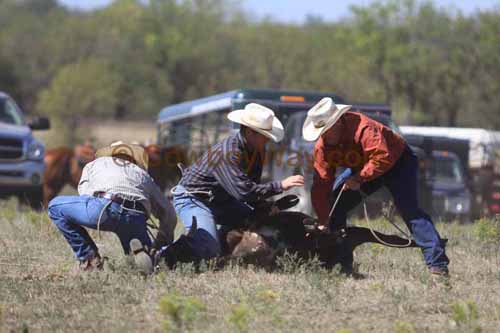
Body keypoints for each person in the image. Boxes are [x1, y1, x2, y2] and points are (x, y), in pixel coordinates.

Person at [303, 97, 449, 276]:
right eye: (321, 132)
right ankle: (341, 265)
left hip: (398, 163)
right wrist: (323, 219)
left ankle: (437, 265)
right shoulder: (322, 148)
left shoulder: (363, 128)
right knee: (335, 206)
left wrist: (358, 179)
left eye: (327, 130)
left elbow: (382, 157)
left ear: (338, 122)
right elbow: (321, 185)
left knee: (409, 210)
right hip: (363, 167)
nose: (325, 135)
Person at [159, 103, 305, 266]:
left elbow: (251, 187)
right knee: (208, 245)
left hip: (221, 200)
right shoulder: (228, 153)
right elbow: (244, 192)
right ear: (250, 132)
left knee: (258, 217)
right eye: (265, 135)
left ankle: (221, 252)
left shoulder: (256, 150)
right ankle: (160, 255)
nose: (267, 140)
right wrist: (280, 186)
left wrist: (265, 206)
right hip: (194, 199)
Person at [48, 141, 177, 273]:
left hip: (104, 208)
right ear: (133, 159)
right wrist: (160, 244)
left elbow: (84, 194)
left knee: (55, 206)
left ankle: (89, 259)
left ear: (111, 154)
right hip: (136, 217)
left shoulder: (95, 164)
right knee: (138, 254)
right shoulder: (143, 174)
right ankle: (144, 255)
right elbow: (169, 214)